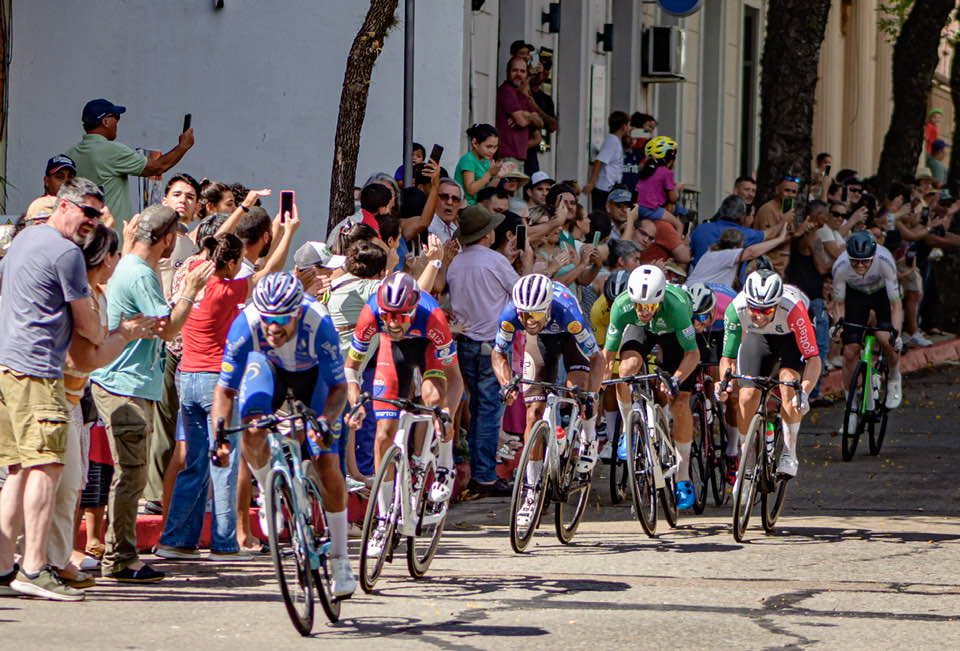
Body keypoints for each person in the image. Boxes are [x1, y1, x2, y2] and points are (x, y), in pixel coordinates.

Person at [157, 203, 300, 562]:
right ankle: (224, 543)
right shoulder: (228, 289)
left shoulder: (192, 275)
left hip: (186, 378)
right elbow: (269, 270)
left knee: (195, 462)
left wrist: (243, 207)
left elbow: (214, 244)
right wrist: (287, 233)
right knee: (224, 460)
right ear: (233, 263)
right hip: (216, 383)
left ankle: (177, 539)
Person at [89, 204, 215, 583]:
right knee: (131, 475)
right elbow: (169, 328)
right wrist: (190, 290)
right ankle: (120, 557)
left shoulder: (132, 266)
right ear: (167, 239)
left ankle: (120, 554)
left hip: (127, 382)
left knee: (131, 473)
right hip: (124, 385)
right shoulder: (140, 273)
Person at [211, 272, 356, 596]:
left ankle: (341, 560)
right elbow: (225, 390)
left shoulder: (319, 322)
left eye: (281, 321)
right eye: (267, 320)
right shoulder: (246, 324)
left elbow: (339, 388)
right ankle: (268, 490)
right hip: (267, 370)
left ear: (297, 313)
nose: (273, 329)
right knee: (251, 427)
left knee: (327, 463)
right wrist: (219, 437)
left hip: (313, 379)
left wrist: (324, 421)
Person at [0, 178, 107, 601]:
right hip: (38, 370)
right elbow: (87, 325)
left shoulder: (25, 240)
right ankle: (33, 568)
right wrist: (107, 332)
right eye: (87, 212)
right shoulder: (66, 253)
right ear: (64, 206)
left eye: (97, 215)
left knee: (18, 470)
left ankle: (4, 567)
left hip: (8, 366)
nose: (92, 222)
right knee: (46, 467)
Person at [345, 273, 464, 511]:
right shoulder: (370, 314)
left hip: (427, 349)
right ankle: (383, 515)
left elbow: (455, 378)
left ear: (413, 310)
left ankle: (443, 463)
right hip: (393, 351)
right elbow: (351, 369)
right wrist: (356, 404)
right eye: (387, 316)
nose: (393, 323)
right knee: (383, 435)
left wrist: (447, 414)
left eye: (400, 317)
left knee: (433, 399)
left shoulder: (433, 317)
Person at [491, 274, 604, 525]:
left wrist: (592, 395)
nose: (529, 321)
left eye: (535, 315)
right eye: (524, 316)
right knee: (533, 412)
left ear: (548, 308)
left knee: (578, 390)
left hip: (570, 339)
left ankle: (588, 437)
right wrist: (506, 383)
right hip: (542, 342)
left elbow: (597, 358)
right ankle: (531, 490)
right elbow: (498, 353)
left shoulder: (568, 313)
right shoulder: (510, 315)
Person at [603, 266, 700, 508]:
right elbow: (608, 355)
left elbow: (693, 354)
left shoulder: (676, 307)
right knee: (625, 370)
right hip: (643, 332)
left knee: (680, 401)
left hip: (673, 333)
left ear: (660, 299)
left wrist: (676, 379)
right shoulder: (622, 306)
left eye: (649, 306)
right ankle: (628, 430)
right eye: (639, 306)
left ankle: (683, 476)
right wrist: (599, 384)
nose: (644, 312)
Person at [447, 205, 521, 496]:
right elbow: (519, 293)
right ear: (487, 234)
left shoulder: (455, 263)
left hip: (464, 342)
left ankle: (479, 469)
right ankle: (485, 475)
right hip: (493, 343)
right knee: (489, 411)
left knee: (474, 408)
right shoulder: (495, 260)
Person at [718, 271, 821, 479]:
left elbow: (813, 359)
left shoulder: (794, 309)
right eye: (754, 309)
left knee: (789, 386)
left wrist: (804, 393)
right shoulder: (736, 309)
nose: (759, 316)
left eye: (766, 310)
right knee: (746, 396)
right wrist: (724, 384)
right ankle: (746, 458)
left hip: (789, 337)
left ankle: (789, 453)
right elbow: (727, 358)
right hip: (758, 337)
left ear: (777, 304)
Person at [67, 98, 194, 228]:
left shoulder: (70, 154)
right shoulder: (112, 150)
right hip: (111, 236)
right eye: (116, 117)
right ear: (105, 121)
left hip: (82, 233)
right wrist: (183, 146)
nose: (117, 122)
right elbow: (157, 167)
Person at [832, 231, 903, 412]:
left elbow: (896, 305)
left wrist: (897, 334)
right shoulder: (840, 266)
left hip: (882, 295)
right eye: (855, 261)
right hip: (856, 297)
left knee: (886, 339)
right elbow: (838, 304)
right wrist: (838, 326)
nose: (860, 265)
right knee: (850, 352)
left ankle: (894, 378)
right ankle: (851, 406)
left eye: (865, 261)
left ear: (873, 256)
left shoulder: (885, 261)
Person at [687, 282, 741, 484]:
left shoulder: (729, 309)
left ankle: (732, 451)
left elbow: (735, 351)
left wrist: (728, 379)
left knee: (731, 392)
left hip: (723, 330)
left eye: (701, 318)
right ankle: (704, 403)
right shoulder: (689, 316)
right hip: (700, 336)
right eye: (693, 318)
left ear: (711, 312)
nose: (696, 323)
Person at [688, 224, 789, 287]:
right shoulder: (725, 255)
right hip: (695, 296)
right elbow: (751, 252)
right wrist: (780, 239)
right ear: (736, 247)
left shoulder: (711, 254)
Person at [496, 57, 543, 170]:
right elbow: (521, 122)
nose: (518, 74)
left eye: (522, 71)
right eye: (515, 70)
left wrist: (526, 115)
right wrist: (529, 117)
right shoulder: (506, 90)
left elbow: (540, 123)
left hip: (519, 156)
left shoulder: (522, 97)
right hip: (507, 156)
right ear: (507, 72)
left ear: (526, 74)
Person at [690, 195, 766, 264]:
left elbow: (688, 254)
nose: (752, 219)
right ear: (743, 216)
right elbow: (768, 234)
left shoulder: (701, 228)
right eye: (752, 215)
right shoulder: (742, 233)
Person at [753, 175, 800, 275]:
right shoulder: (768, 209)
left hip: (782, 268)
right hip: (768, 267)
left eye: (794, 192)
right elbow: (767, 240)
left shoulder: (788, 210)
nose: (790, 195)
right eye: (787, 190)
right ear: (777, 190)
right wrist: (796, 233)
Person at [583, 111, 631, 209]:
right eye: (628, 125)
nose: (629, 128)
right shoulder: (612, 141)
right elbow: (599, 161)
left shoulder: (615, 140)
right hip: (604, 188)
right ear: (623, 126)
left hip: (609, 187)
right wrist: (592, 182)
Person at [634, 136, 683, 230]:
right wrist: (677, 187)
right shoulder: (666, 172)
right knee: (679, 225)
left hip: (639, 208)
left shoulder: (645, 169)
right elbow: (673, 198)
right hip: (651, 209)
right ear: (670, 159)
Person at [455, 124, 501, 205]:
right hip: (467, 205)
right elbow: (470, 190)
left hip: (480, 205)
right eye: (489, 147)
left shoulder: (487, 161)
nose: (492, 151)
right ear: (475, 143)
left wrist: (498, 176)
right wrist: (489, 173)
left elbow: (488, 192)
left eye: (495, 147)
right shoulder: (468, 159)